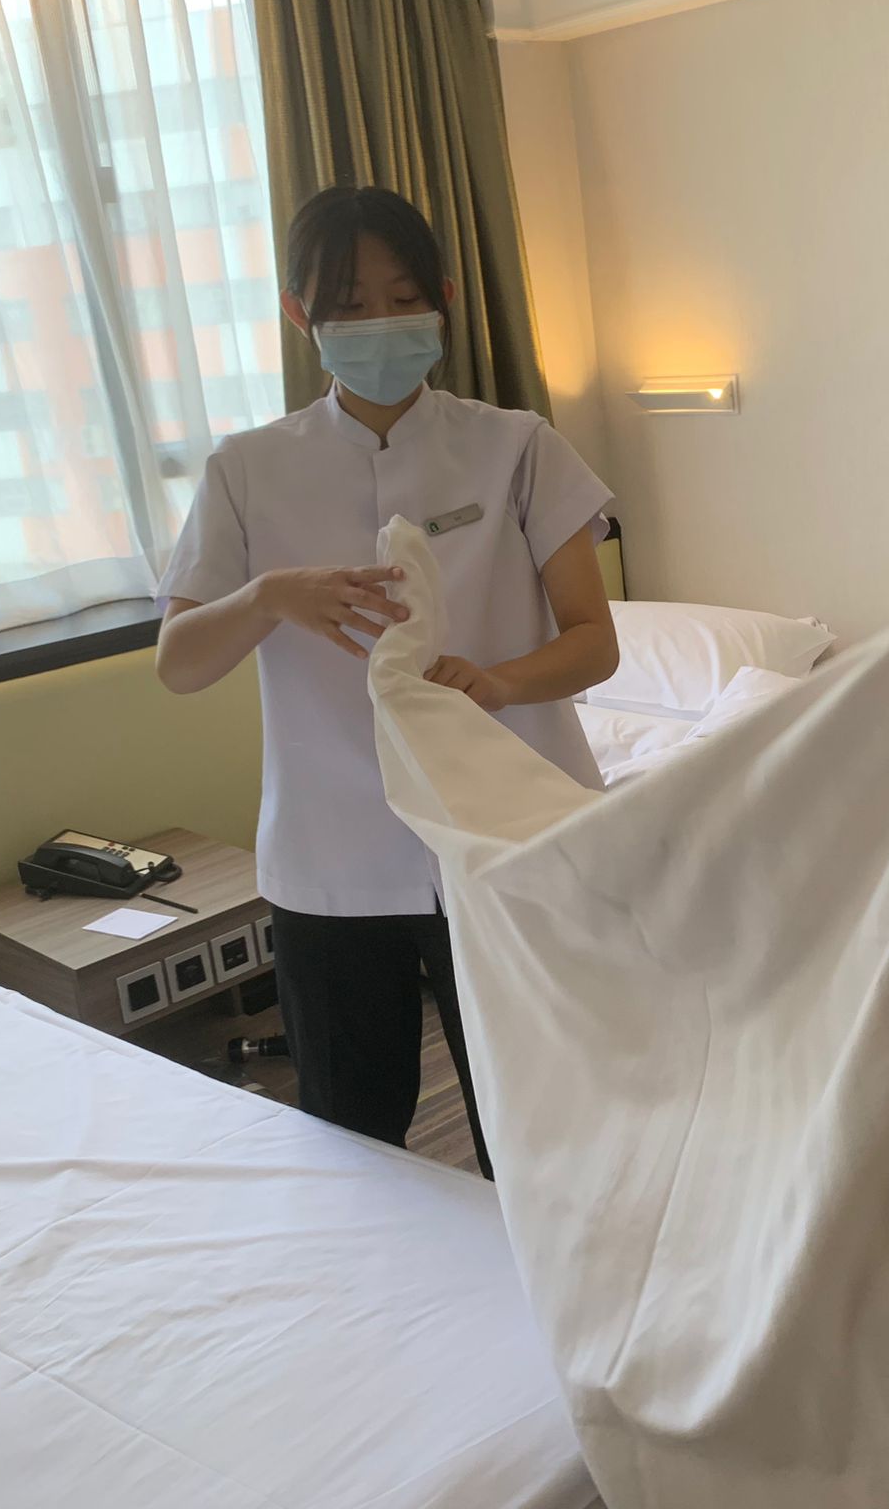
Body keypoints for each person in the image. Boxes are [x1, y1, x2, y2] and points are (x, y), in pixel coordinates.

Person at [154, 185, 618, 1180]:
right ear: (300, 315)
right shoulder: (246, 471)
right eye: (349, 305)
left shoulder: (517, 447)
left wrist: (497, 683)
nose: (379, 324)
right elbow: (179, 663)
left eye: (402, 298)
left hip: (503, 837)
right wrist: (271, 596)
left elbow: (594, 643)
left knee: (541, 1135)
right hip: (331, 859)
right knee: (353, 1146)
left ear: (443, 299)